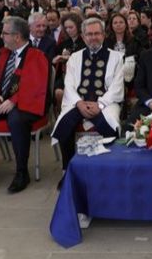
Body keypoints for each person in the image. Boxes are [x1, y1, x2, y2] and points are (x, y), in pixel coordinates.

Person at [0, 16, 50, 194]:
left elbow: (37, 86)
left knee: (17, 121)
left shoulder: (37, 56)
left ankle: (22, 171)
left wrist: (14, 101)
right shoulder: (1, 54)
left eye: (5, 33)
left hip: (26, 103)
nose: (1, 36)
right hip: (1, 100)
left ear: (17, 36)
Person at [50, 18, 124, 184]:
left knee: (109, 127)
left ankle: (107, 170)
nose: (93, 37)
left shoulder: (117, 57)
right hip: (78, 103)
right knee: (64, 125)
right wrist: (78, 103)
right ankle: (68, 171)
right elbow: (68, 85)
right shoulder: (74, 58)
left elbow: (117, 87)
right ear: (83, 36)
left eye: (97, 33)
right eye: (89, 34)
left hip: (105, 104)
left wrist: (100, 104)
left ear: (104, 35)